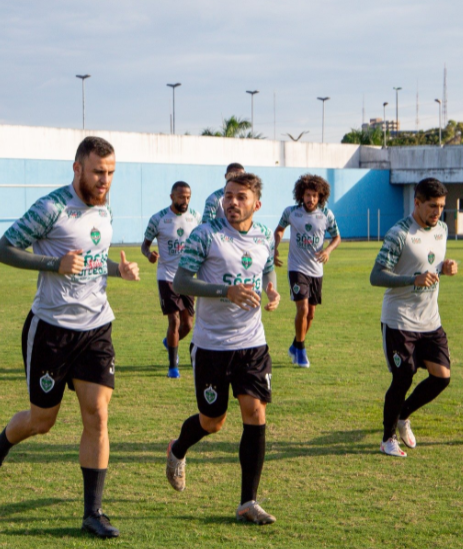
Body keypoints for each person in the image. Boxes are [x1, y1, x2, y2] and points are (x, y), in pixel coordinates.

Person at [0, 136, 140, 539]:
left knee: (97, 414)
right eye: (98, 172)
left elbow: (93, 262)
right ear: (77, 169)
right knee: (42, 421)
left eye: (111, 173)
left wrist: (119, 272)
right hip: (50, 330)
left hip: (96, 328)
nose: (105, 181)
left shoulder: (105, 211)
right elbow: (2, 250)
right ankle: (0, 445)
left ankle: (93, 512)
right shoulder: (51, 208)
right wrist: (54, 263)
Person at [164, 172, 281, 525]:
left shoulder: (263, 235)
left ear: (256, 204)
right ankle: (178, 448)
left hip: (252, 342)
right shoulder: (205, 235)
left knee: (255, 412)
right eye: (228, 195)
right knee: (213, 422)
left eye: (241, 197)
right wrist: (224, 291)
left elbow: (267, 269)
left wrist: (271, 290)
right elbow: (181, 281)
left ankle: (248, 501)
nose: (232, 202)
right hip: (212, 344)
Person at [370, 178, 458, 457]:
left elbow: (430, 264)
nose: (437, 212)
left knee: (442, 377)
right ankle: (386, 440)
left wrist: (445, 267)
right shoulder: (400, 233)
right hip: (400, 319)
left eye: (442, 206)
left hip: (430, 319)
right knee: (403, 376)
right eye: (432, 206)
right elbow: (376, 276)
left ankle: (403, 415)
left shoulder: (442, 229)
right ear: (417, 203)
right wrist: (413, 280)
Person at [273, 174, 341, 368]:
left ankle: (296, 344)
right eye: (307, 195)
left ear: (320, 197)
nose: (311, 199)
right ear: (301, 195)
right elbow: (279, 230)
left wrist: (328, 250)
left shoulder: (326, 215)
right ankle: (301, 350)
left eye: (314, 195)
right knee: (302, 308)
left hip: (316, 270)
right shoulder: (291, 212)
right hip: (296, 268)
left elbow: (337, 237)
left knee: (310, 314)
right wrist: (275, 246)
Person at [141, 181, 202, 378]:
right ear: (172, 197)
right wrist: (148, 254)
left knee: (188, 324)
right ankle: (173, 366)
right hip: (166, 276)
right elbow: (145, 245)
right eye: (181, 197)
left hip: (187, 276)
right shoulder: (158, 219)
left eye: (188, 197)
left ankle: (170, 342)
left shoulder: (195, 217)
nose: (185, 201)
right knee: (174, 321)